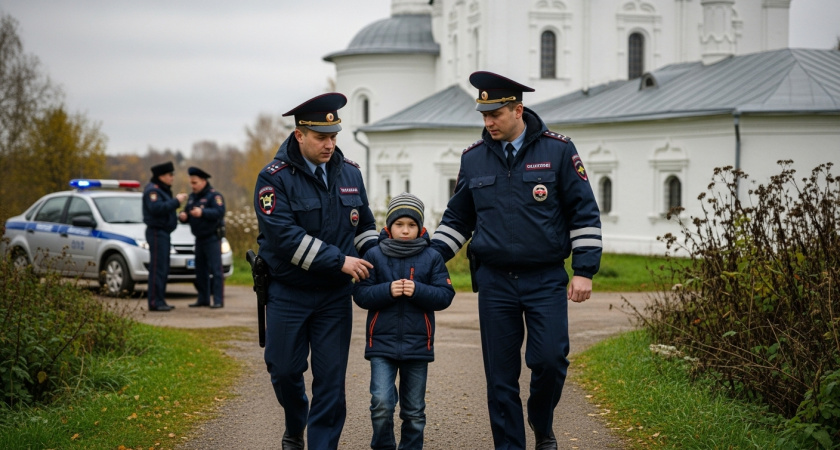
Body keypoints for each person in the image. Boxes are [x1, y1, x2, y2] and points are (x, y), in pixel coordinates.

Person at [430, 71, 602, 450]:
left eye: (495, 114)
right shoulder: (473, 159)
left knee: (550, 360)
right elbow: (459, 218)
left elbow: (584, 212)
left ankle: (542, 425)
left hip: (544, 279)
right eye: (484, 115)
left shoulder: (558, 150)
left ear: (518, 110)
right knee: (501, 377)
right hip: (494, 282)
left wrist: (584, 270)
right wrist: (431, 256)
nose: (488, 122)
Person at [253, 92, 379, 450]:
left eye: (334, 136)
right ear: (299, 135)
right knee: (284, 370)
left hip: (334, 297)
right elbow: (284, 238)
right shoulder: (273, 179)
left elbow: (364, 226)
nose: (329, 144)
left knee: (330, 381)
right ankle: (296, 423)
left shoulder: (350, 172)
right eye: (321, 137)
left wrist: (385, 258)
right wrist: (341, 261)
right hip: (288, 292)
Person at [353, 192, 455, 450]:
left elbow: (445, 295)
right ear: (388, 226)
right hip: (381, 345)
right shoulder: (374, 255)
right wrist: (388, 290)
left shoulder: (432, 257)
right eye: (400, 224)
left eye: (412, 225)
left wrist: (417, 290)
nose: (406, 230)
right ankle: (383, 446)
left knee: (413, 411)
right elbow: (361, 294)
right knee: (381, 403)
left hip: (418, 346)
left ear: (421, 228)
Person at [142, 161, 188, 312]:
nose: (172, 178)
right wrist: (176, 201)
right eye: (170, 175)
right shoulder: (153, 191)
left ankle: (160, 300)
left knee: (163, 268)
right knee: (157, 268)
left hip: (164, 233)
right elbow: (156, 209)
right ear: (161, 176)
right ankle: (155, 302)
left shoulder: (162, 190)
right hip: (156, 232)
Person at [178, 166, 226, 308]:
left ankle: (218, 300)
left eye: (195, 183)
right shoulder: (193, 197)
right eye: (191, 183)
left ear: (203, 181)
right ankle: (203, 299)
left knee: (216, 271)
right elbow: (186, 212)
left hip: (212, 238)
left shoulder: (214, 196)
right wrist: (183, 216)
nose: (192, 186)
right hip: (199, 238)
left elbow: (219, 212)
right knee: (200, 271)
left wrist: (203, 212)